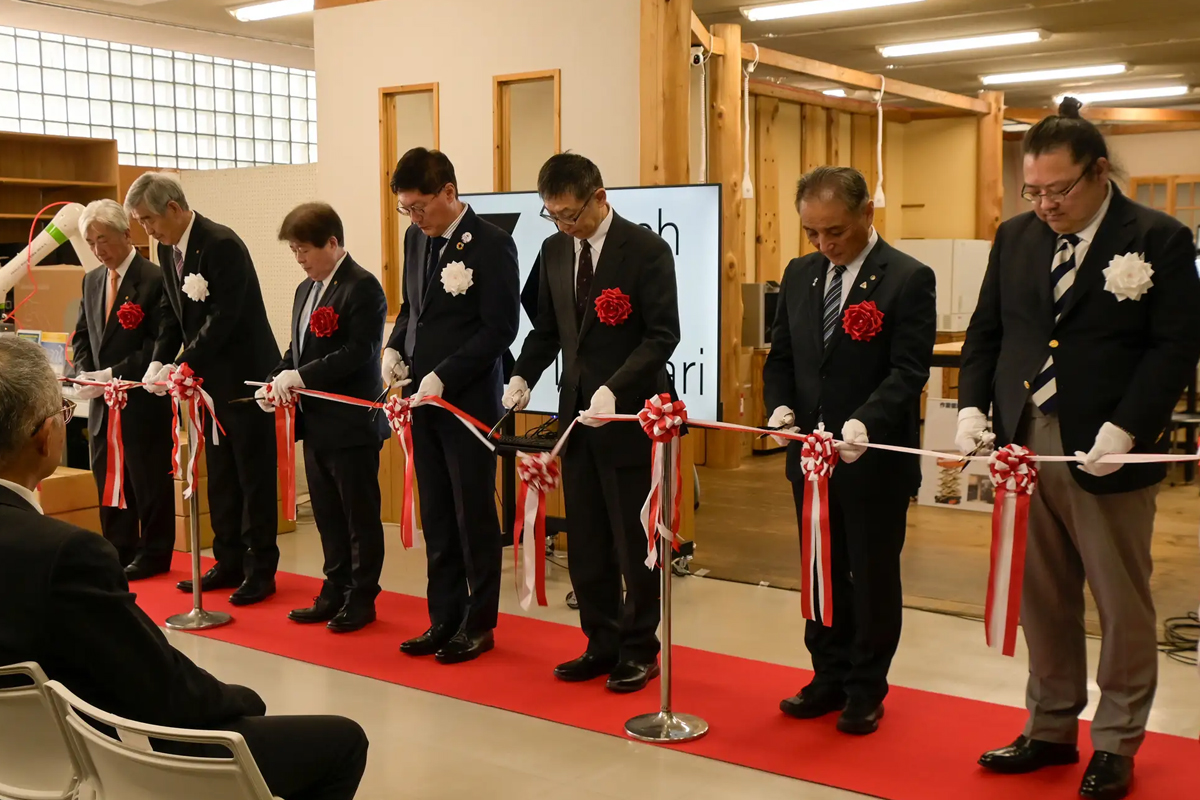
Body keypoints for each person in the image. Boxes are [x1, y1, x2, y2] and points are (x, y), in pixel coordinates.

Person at [0, 336, 368, 800]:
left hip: (17, 758)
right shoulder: (66, 554)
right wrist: (239, 699)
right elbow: (162, 689)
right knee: (342, 743)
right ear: (43, 436)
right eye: (64, 413)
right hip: (102, 760)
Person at [957, 97, 1200, 800]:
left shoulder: (1158, 236)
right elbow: (988, 330)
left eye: (1058, 190)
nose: (1045, 205)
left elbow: (1175, 345)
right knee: (1042, 595)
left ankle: (1117, 739)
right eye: (1032, 191)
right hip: (1025, 438)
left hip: (1107, 443)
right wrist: (973, 407)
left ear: (1098, 172)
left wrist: (1128, 427)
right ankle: (1050, 726)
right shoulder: (1016, 236)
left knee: (1120, 600)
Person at [763, 166, 936, 734]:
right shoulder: (800, 273)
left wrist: (865, 420)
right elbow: (782, 356)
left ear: (867, 213)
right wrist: (779, 407)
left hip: (873, 458)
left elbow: (908, 371)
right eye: (812, 232)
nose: (824, 244)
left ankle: (866, 686)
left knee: (871, 572)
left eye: (834, 231)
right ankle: (827, 675)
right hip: (810, 458)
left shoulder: (907, 277)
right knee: (820, 569)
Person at [506, 153, 681, 693]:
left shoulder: (646, 250)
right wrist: (523, 374)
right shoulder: (554, 250)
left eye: (572, 214)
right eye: (553, 215)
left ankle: (640, 648)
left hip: (628, 416)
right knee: (586, 539)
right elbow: (547, 329)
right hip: (576, 417)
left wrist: (615, 387)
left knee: (633, 541)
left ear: (600, 197)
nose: (564, 225)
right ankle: (600, 641)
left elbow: (662, 335)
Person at [382, 148, 520, 663]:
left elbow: (500, 329)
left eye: (419, 207)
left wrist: (446, 374)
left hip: (467, 402)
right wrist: (394, 348)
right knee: (436, 513)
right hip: (421, 399)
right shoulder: (415, 239)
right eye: (406, 209)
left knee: (472, 515)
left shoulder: (492, 244)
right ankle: (443, 616)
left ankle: (478, 624)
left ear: (448, 192)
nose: (414, 218)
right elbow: (411, 309)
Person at [125, 172, 281, 606]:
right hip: (205, 383)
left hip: (243, 379)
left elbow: (224, 318)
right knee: (221, 476)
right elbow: (171, 313)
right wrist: (159, 359)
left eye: (149, 219)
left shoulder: (221, 244)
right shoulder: (167, 248)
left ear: (174, 208)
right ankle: (228, 560)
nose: (147, 230)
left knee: (253, 478)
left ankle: (260, 569)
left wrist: (182, 362)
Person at [260, 203, 389, 633]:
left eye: (304, 250)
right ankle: (334, 589)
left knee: (358, 518)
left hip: (351, 424)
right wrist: (275, 380)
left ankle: (362, 597)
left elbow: (359, 351)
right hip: (315, 424)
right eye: (293, 251)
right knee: (327, 516)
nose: (299, 259)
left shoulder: (362, 286)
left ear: (332, 243)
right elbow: (296, 351)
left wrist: (302, 376)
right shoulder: (305, 290)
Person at [69, 199, 175, 580]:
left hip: (141, 399)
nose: (97, 250)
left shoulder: (155, 278)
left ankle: (155, 552)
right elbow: (82, 335)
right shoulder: (92, 279)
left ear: (127, 234)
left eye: (103, 239)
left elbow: (159, 343)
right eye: (90, 242)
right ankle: (117, 548)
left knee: (148, 480)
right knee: (109, 479)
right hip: (102, 404)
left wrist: (113, 373)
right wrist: (85, 372)